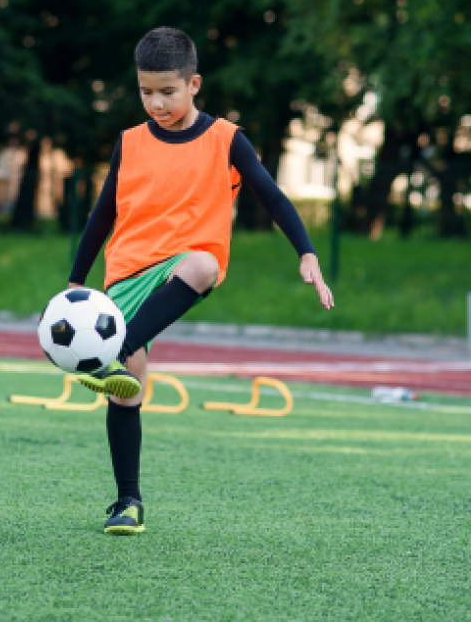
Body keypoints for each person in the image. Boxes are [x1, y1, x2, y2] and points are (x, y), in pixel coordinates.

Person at [67, 27, 334, 535]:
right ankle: (128, 502)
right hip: (127, 271)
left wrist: (307, 252)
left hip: (184, 261)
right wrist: (75, 283)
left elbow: (272, 196)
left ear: (194, 84)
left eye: (167, 92)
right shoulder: (130, 142)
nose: (156, 103)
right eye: (146, 92)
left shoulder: (226, 139)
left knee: (204, 266)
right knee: (126, 393)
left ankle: (115, 349)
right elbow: (102, 216)